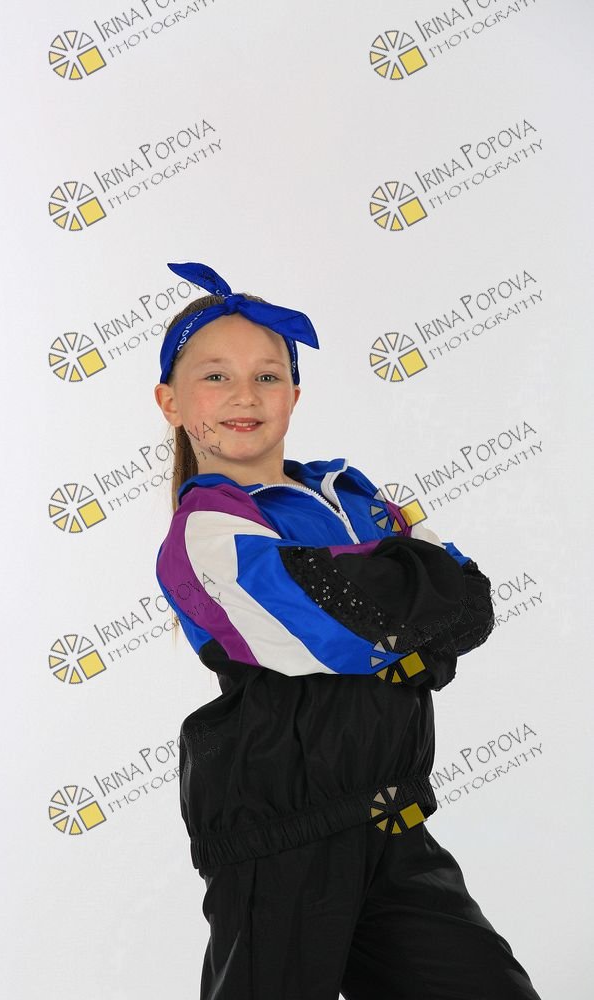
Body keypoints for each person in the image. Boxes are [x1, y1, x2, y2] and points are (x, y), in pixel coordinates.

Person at [153, 261, 542, 1000]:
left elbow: (470, 605)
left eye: (268, 376)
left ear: (294, 396)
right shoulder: (205, 530)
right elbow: (333, 625)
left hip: (395, 818)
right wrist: (404, 585)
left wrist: (390, 596)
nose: (244, 395)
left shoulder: (350, 494)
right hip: (282, 839)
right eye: (215, 376)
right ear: (170, 401)